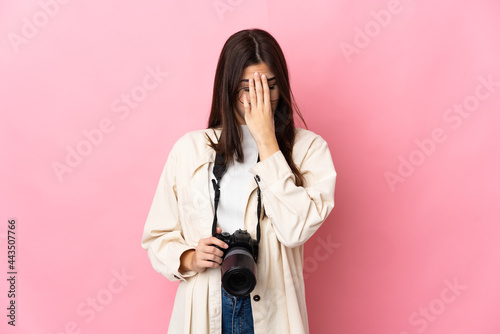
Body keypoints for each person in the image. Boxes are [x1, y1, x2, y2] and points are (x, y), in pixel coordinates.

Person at [141, 28, 337, 334]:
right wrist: (190, 257)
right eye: (246, 88)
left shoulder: (309, 149)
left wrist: (267, 141)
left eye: (268, 86)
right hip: (206, 301)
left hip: (273, 307)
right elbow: (157, 236)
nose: (256, 99)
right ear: (227, 88)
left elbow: (295, 229)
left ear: (282, 87)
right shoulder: (190, 150)